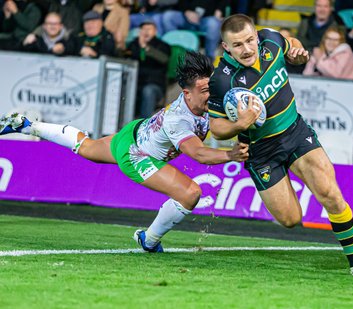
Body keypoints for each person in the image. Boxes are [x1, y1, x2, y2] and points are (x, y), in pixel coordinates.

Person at [0, 51, 249, 252]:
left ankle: (26, 125)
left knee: (86, 147)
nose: (211, 96)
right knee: (191, 193)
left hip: (135, 131)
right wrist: (231, 155)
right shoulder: (178, 120)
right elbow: (198, 154)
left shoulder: (210, 102)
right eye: (205, 92)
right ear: (186, 93)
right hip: (137, 155)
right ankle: (148, 240)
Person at [207, 14, 353, 279]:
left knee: (331, 194)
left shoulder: (271, 40)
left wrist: (298, 54)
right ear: (226, 46)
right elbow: (216, 127)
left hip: (295, 133)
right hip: (261, 153)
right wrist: (239, 124)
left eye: (250, 40)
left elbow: (292, 44)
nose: (247, 49)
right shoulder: (222, 79)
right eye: (238, 45)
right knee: (290, 219)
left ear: (257, 35)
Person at [126, 20, 171, 118]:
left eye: (149, 29)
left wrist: (145, 47)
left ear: (155, 31)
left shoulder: (163, 46)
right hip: (135, 84)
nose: (146, 32)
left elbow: (164, 59)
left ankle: (144, 125)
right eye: (143, 29)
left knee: (148, 91)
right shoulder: (132, 45)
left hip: (154, 85)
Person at [161, 0, 226, 61]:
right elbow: (181, 2)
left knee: (214, 23)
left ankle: (209, 58)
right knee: (168, 16)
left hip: (205, 19)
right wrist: (186, 11)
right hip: (186, 17)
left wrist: (219, 10)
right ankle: (173, 51)